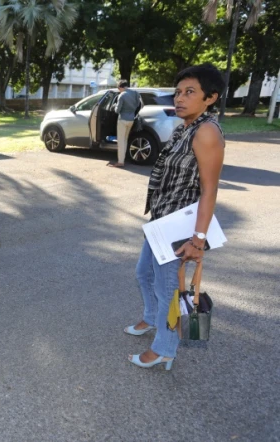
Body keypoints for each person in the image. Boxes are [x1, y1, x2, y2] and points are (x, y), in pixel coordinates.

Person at [125, 63, 226, 370]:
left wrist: (198, 239)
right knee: (144, 274)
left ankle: (165, 348)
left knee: (169, 289)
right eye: (179, 92)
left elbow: (209, 190)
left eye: (190, 92)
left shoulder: (207, 132)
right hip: (160, 221)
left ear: (210, 97)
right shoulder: (186, 126)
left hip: (178, 228)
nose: (179, 98)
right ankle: (153, 318)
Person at [108, 80, 142, 168]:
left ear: (120, 87)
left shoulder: (122, 95)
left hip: (122, 119)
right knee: (125, 139)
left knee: (121, 141)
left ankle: (120, 161)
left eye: (118, 88)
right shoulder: (135, 93)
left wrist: (114, 105)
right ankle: (123, 159)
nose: (119, 90)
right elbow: (139, 104)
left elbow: (117, 110)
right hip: (131, 119)